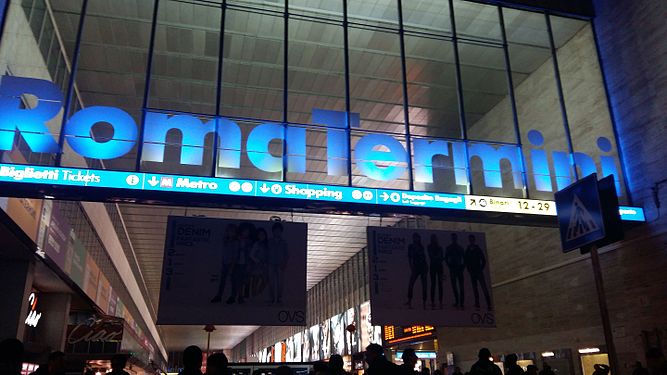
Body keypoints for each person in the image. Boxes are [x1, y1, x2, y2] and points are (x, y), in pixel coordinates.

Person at [228, 223, 254, 304]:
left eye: (247, 232)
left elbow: (250, 253)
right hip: (235, 263)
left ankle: (240, 296)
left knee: (241, 281)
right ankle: (233, 296)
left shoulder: (249, 242)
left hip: (244, 264)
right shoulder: (236, 241)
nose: (246, 233)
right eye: (244, 231)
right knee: (234, 280)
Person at [211, 224, 239, 303]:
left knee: (232, 281)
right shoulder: (225, 241)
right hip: (225, 263)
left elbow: (235, 255)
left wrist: (232, 265)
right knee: (223, 280)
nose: (230, 233)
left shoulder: (235, 242)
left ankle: (232, 296)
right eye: (229, 231)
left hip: (232, 263)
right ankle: (219, 295)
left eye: (232, 231)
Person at [464, 235, 492, 310]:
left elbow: (483, 260)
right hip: (472, 272)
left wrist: (480, 268)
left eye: (472, 239)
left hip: (478, 271)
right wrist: (469, 269)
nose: (471, 241)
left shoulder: (477, 249)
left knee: (483, 287)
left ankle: (488, 303)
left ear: (474, 240)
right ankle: (477, 303)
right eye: (470, 239)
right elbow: (466, 261)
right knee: (475, 288)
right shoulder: (468, 249)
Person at [268, 222, 288, 304]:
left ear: (281, 232)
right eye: (275, 231)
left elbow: (286, 254)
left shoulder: (284, 243)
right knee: (271, 281)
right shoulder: (269, 242)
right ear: (273, 231)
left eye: (279, 231)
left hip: (280, 264)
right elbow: (266, 252)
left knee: (280, 282)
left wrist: (284, 263)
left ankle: (279, 298)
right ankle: (272, 298)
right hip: (271, 263)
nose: (277, 232)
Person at [406, 233, 428, 309]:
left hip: (423, 267)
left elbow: (423, 257)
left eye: (417, 238)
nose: (416, 239)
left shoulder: (421, 247)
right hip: (416, 267)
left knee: (424, 285)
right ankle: (409, 301)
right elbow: (409, 257)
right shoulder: (411, 246)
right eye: (414, 238)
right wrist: (411, 266)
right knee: (411, 284)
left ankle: (424, 302)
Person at [445, 233, 465, 308]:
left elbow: (464, 258)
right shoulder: (449, 248)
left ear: (456, 238)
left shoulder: (460, 248)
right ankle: (457, 301)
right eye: (453, 238)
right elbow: (446, 258)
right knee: (454, 286)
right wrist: (449, 265)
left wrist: (463, 267)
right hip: (453, 269)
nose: (454, 239)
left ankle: (462, 302)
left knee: (461, 286)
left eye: (455, 238)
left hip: (459, 268)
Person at [249, 228, 269, 297]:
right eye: (260, 235)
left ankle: (258, 293)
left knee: (265, 280)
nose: (262, 236)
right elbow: (251, 255)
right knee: (255, 280)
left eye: (263, 235)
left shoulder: (266, 244)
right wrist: (257, 261)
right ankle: (253, 295)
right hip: (257, 264)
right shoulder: (256, 244)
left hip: (264, 265)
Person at [427, 234, 444, 309]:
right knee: (433, 284)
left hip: (438, 267)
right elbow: (432, 256)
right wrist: (437, 257)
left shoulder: (439, 247)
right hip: (433, 266)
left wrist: (436, 257)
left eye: (435, 238)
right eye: (433, 238)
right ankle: (433, 301)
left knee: (440, 285)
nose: (434, 239)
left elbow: (441, 257)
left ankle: (440, 301)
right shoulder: (430, 247)